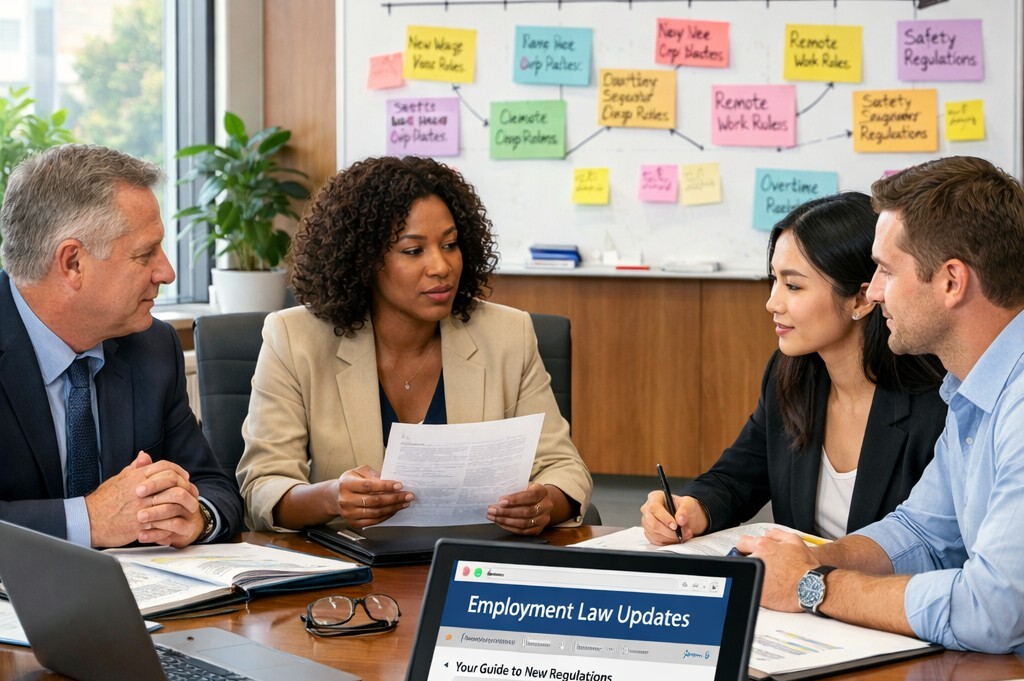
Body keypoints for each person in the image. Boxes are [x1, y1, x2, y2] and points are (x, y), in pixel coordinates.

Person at [737, 156, 1024, 654]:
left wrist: (816, 587)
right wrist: (816, 560)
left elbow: (992, 610)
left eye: (887, 271)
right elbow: (922, 531)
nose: (872, 291)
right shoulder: (971, 391)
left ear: (951, 281)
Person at [237, 155, 592, 534]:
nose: (441, 266)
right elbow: (262, 487)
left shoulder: (508, 334)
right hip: (353, 574)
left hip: (474, 562)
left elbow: (564, 469)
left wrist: (541, 503)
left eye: (451, 245)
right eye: (413, 250)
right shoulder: (294, 339)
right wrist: (329, 497)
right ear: (364, 260)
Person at [642, 191, 946, 545]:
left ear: (862, 299)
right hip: (794, 597)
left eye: (793, 285)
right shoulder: (790, 374)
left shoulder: (934, 400)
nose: (772, 302)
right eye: (773, 280)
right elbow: (736, 479)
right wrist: (691, 508)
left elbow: (932, 547)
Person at [0, 144, 243, 548]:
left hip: (147, 600)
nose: (166, 272)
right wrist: (89, 520)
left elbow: (214, 486)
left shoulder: (152, 346)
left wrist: (195, 516)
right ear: (73, 263)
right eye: (145, 253)